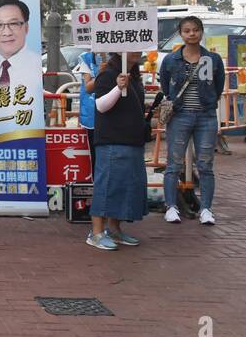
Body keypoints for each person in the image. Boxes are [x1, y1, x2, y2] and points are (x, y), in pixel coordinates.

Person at [159, 16, 226, 225]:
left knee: (205, 165)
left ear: (201, 32)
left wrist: (208, 103)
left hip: (206, 116)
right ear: (181, 33)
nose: (191, 34)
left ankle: (206, 209)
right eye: (187, 30)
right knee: (173, 164)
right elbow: (164, 85)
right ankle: (171, 207)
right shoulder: (171, 59)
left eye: (195, 30)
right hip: (179, 116)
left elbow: (218, 86)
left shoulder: (213, 59)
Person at [88, 52, 149, 250]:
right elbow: (101, 106)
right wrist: (118, 88)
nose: (138, 51)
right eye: (132, 47)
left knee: (124, 186)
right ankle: (96, 232)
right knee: (107, 186)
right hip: (112, 139)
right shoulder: (107, 74)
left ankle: (115, 230)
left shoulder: (134, 75)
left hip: (132, 139)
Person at [71, 48, 104, 179]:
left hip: (112, 114)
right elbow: (88, 86)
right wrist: (102, 72)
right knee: (95, 153)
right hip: (92, 112)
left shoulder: (117, 56)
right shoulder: (86, 57)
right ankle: (97, 187)